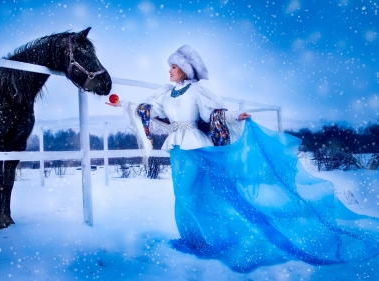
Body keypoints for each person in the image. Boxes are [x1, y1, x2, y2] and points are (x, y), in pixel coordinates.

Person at [107, 45, 379, 272]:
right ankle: (195, 238)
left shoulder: (198, 90)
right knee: (183, 195)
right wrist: (122, 105)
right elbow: (148, 110)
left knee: (196, 195)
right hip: (176, 148)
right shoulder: (166, 93)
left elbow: (215, 112)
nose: (169, 71)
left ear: (185, 70)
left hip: (194, 145)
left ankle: (223, 236)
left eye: (174, 67)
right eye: (170, 67)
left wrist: (235, 117)